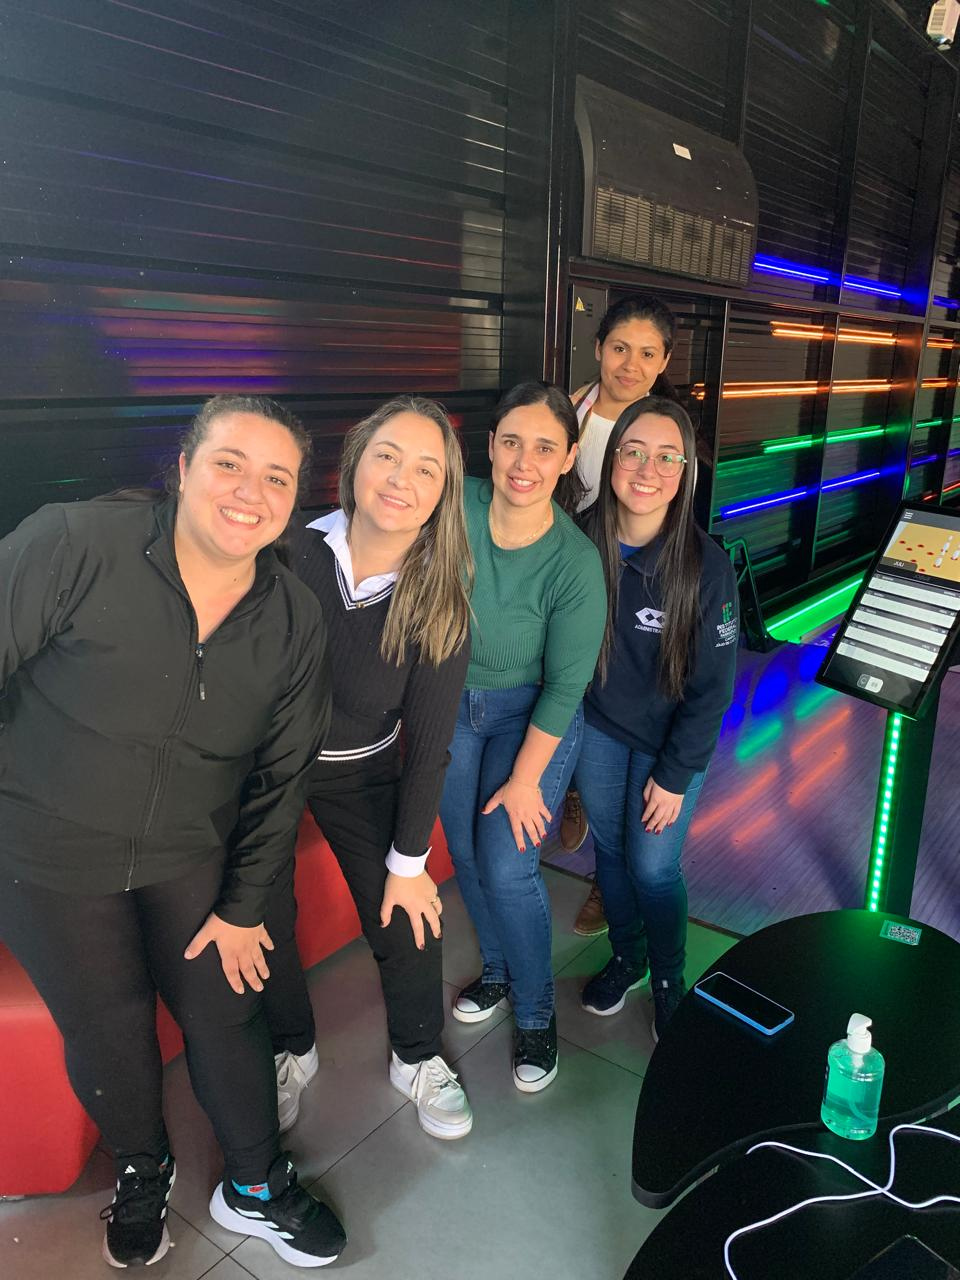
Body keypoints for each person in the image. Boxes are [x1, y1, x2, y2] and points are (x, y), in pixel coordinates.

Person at [0, 396, 347, 1269]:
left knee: (226, 1008)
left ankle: (256, 1184)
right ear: (184, 469)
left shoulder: (294, 615)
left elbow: (283, 774)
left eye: (277, 478)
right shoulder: (72, 544)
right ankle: (142, 1168)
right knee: (109, 1027)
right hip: (49, 854)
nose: (250, 492)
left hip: (191, 847)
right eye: (229, 463)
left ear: (294, 500)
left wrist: (245, 905)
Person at [260, 397, 475, 1141]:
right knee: (258, 906)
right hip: (268, 765)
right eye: (387, 455)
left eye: (426, 469)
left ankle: (417, 1056)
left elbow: (431, 742)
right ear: (355, 461)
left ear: (444, 493)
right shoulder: (288, 549)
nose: (400, 479)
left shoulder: (439, 600)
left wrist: (409, 863)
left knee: (408, 914)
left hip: (363, 770)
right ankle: (290, 1046)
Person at [439, 381, 606, 1092]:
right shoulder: (456, 506)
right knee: (466, 854)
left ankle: (536, 1012)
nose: (524, 462)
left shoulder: (574, 561)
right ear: (490, 446)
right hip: (451, 706)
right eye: (511, 442)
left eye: (544, 447)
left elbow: (567, 688)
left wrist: (526, 779)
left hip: (531, 717)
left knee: (507, 863)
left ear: (568, 458)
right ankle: (499, 971)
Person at [574, 395, 738, 1041]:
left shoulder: (706, 567)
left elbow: (712, 691)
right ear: (612, 458)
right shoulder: (578, 539)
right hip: (598, 729)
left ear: (686, 471)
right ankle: (629, 957)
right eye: (634, 452)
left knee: (652, 866)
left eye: (668, 457)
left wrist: (674, 776)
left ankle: (670, 977)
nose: (648, 470)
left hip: (668, 744)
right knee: (611, 854)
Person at [564, 294, 679, 919]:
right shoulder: (568, 413)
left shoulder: (667, 433)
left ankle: (604, 881)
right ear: (598, 348)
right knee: (568, 700)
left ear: (664, 362)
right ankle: (575, 792)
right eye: (619, 348)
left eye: (647, 353)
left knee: (612, 707)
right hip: (564, 577)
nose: (630, 365)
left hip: (631, 591)